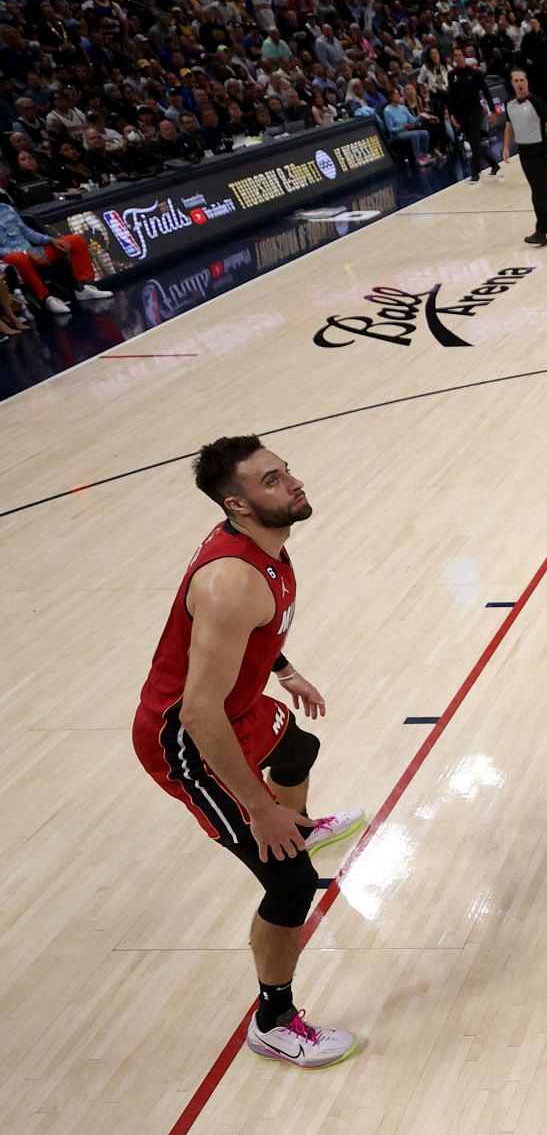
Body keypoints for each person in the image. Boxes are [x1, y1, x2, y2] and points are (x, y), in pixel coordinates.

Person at [132, 437, 365, 1069]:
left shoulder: (262, 547)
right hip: (188, 740)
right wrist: (260, 808)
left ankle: (299, 826)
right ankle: (274, 1019)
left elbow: (244, 638)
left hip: (235, 711)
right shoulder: (231, 581)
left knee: (299, 746)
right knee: (290, 882)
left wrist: (284, 670)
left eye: (286, 470)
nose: (291, 483)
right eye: (271, 481)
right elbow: (197, 713)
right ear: (236, 504)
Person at [0, 199, 111, 314]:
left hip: (33, 252)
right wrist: (25, 252)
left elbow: (27, 232)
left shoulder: (6, 208)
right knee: (19, 258)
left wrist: (51, 240)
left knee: (76, 240)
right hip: (8, 261)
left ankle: (83, 287)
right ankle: (46, 299)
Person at [502, 69, 547, 246]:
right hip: (523, 152)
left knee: (538, 192)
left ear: (527, 81)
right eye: (516, 80)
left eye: (522, 80)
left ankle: (541, 231)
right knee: (541, 191)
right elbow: (509, 126)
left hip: (539, 151)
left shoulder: (536, 102)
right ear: (512, 83)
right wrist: (506, 147)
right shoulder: (509, 103)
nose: (519, 83)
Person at [447, 50, 501, 183]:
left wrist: (493, 111)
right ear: (453, 59)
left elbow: (486, 92)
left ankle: (475, 173)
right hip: (461, 114)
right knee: (474, 142)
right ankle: (494, 164)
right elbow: (451, 97)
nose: (458, 58)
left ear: (464, 57)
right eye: (456, 56)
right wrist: (452, 115)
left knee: (474, 141)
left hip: (475, 111)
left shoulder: (475, 73)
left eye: (460, 55)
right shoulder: (451, 75)